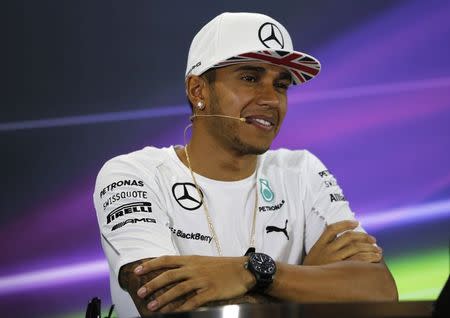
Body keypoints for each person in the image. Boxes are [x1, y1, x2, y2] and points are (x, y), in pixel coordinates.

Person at [93, 12, 398, 318]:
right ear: (198, 90)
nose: (271, 99)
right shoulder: (134, 175)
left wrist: (253, 272)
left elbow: (379, 293)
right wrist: (306, 276)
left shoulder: (302, 170)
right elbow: (163, 306)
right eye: (250, 78)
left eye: (281, 85)